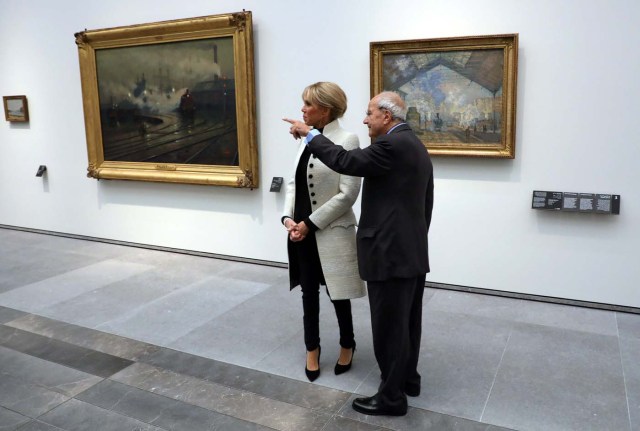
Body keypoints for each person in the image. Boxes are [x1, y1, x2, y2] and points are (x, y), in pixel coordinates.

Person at [284, 91, 434, 416]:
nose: (365, 120)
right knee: (408, 323)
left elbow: (346, 162)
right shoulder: (415, 145)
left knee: (389, 328)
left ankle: (392, 398)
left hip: (389, 255)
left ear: (387, 116)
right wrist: (413, 240)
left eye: (369, 113)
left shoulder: (390, 146)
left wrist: (309, 134)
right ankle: (408, 379)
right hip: (409, 252)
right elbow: (426, 204)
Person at [281, 82, 366, 382]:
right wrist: (288, 219)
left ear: (325, 109)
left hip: (329, 229)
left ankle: (347, 343)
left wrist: (310, 223)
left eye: (308, 104)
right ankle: (312, 349)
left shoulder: (348, 139)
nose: (302, 109)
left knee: (337, 293)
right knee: (308, 294)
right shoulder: (306, 138)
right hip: (301, 231)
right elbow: (294, 183)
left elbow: (348, 194)